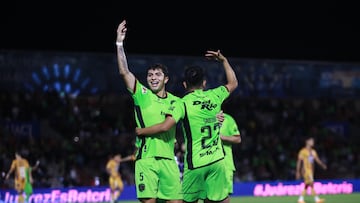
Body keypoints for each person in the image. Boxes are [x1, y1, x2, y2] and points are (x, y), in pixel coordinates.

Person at [136, 49, 238, 203]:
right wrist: (224, 60)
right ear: (204, 83)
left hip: (196, 163)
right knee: (221, 200)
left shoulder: (181, 103)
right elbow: (233, 83)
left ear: (184, 84)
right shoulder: (215, 95)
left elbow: (165, 126)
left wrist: (142, 130)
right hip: (217, 160)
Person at [115, 20, 183, 203]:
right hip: (146, 160)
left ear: (166, 79)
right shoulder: (142, 94)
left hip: (169, 160)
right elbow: (124, 72)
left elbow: (167, 125)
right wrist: (119, 43)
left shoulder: (176, 101)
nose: (153, 78)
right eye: (150, 75)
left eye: (157, 75)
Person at [296, 137, 327, 203]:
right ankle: (317, 199)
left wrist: (322, 165)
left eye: (313, 141)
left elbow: (317, 160)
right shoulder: (303, 151)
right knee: (311, 183)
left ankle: (300, 199)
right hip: (305, 170)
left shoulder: (313, 151)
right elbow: (299, 161)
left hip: (311, 171)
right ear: (307, 142)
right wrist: (298, 171)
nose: (313, 142)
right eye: (311, 141)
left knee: (307, 185)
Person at [219, 112, 241, 195]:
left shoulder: (228, 119)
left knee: (226, 194)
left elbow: (238, 139)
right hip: (209, 162)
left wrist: (222, 137)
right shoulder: (205, 117)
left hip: (226, 163)